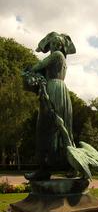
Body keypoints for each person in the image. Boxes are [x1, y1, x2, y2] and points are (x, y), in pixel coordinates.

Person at [24, 32, 76, 180]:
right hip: (58, 90)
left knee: (47, 127)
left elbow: (38, 66)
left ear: (60, 46)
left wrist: (30, 71)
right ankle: (49, 168)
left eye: (55, 44)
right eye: (52, 43)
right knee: (54, 128)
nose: (53, 46)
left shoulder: (57, 55)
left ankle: (49, 168)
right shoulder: (61, 58)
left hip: (54, 89)